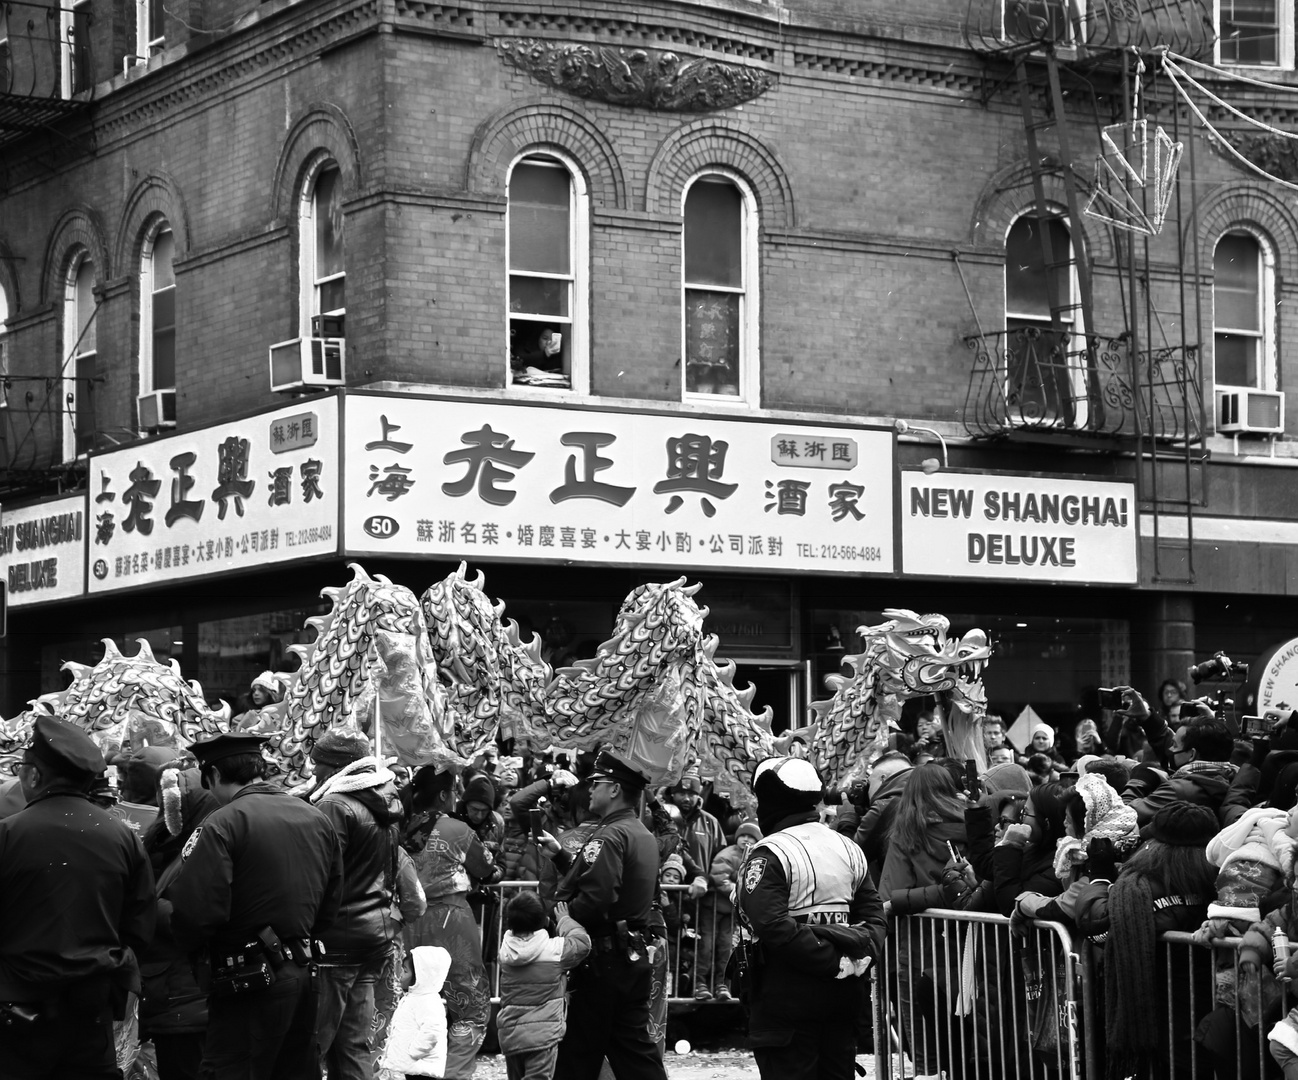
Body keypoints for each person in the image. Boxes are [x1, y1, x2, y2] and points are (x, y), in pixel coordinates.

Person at [167, 732, 343, 1080]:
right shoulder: (314, 816)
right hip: (304, 973)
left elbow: (198, 911)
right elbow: (331, 904)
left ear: (214, 776)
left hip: (245, 979)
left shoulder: (223, 822)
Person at [0, 716, 157, 1080]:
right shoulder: (122, 837)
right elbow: (138, 928)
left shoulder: (8, 835)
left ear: (35, 776)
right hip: (91, 1011)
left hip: (16, 1011)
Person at [736, 755, 886, 1080]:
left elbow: (771, 924)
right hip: (845, 993)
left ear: (770, 802)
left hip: (788, 997)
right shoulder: (848, 848)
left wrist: (833, 962)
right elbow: (875, 917)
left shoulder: (770, 852)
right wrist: (856, 959)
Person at [536, 750, 669, 1080]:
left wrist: (563, 920)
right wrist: (562, 857)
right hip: (631, 957)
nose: (590, 789)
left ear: (614, 789)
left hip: (603, 961)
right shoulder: (639, 832)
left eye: (597, 783)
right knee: (636, 1055)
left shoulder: (610, 836)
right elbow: (612, 885)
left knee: (577, 1057)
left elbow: (597, 898)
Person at [1073, 802, 1218, 1079]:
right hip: (1204, 1015)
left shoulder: (1141, 885)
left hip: (1158, 1019)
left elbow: (1098, 925)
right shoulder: (1219, 879)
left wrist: (1100, 878)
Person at [306, 728, 405, 1080]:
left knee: (312, 1043)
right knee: (353, 1045)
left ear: (336, 767)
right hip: (372, 938)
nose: (313, 772)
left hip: (336, 942)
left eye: (318, 765)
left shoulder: (334, 805)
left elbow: (322, 878)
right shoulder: (383, 804)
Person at [404, 765, 501, 1079]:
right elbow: (485, 867)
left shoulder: (400, 826)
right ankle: (453, 1073)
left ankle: (415, 1069)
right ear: (444, 795)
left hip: (407, 922)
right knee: (469, 1002)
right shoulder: (456, 830)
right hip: (450, 920)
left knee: (412, 998)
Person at [140, 765, 219, 1080]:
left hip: (187, 993)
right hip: (173, 990)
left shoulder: (205, 849)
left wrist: (145, 906)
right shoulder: (167, 845)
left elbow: (194, 918)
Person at [496, 894, 592, 1080]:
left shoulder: (506, 952)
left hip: (510, 1034)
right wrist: (564, 920)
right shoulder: (555, 950)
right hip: (542, 1035)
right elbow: (583, 943)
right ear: (545, 920)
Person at [665, 769, 727, 1000]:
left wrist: (708, 881)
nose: (686, 798)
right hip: (668, 896)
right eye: (681, 792)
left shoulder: (710, 822)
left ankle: (696, 990)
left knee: (702, 946)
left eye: (691, 793)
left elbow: (720, 857)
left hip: (702, 898)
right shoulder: (664, 817)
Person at [378, 946, 452, 1079]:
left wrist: (415, 1052)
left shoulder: (428, 1001)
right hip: (413, 1065)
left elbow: (432, 1031)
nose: (400, 975)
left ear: (421, 976)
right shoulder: (413, 997)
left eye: (405, 971)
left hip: (422, 1065)